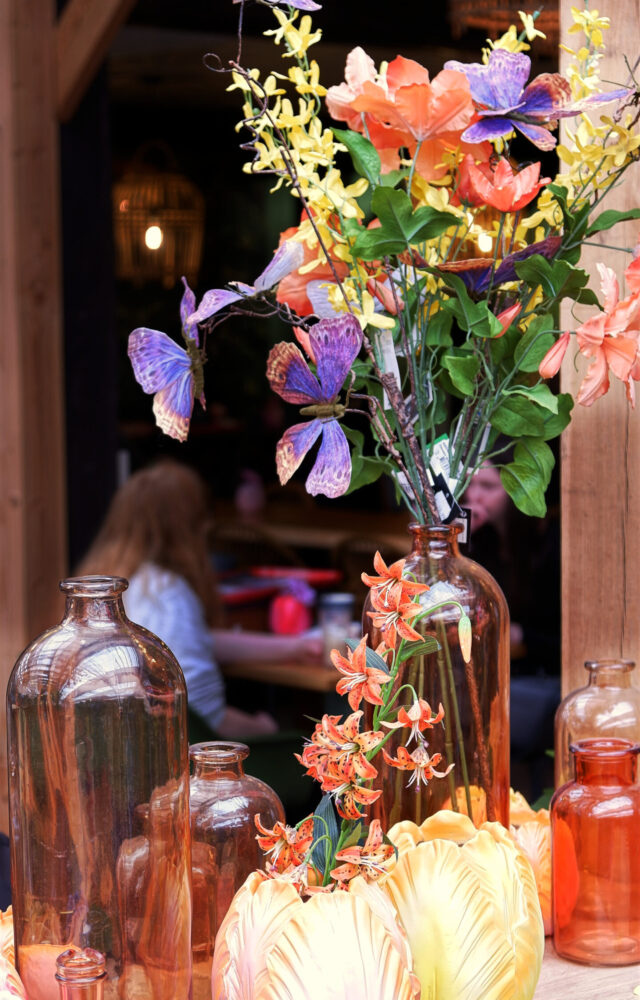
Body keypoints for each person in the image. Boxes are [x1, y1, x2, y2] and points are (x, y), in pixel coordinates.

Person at [76, 460, 321, 739]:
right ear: (189, 527)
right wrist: (266, 729)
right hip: (172, 759)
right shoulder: (167, 594)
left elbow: (194, 640)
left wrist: (296, 648)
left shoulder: (120, 582)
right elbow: (202, 717)